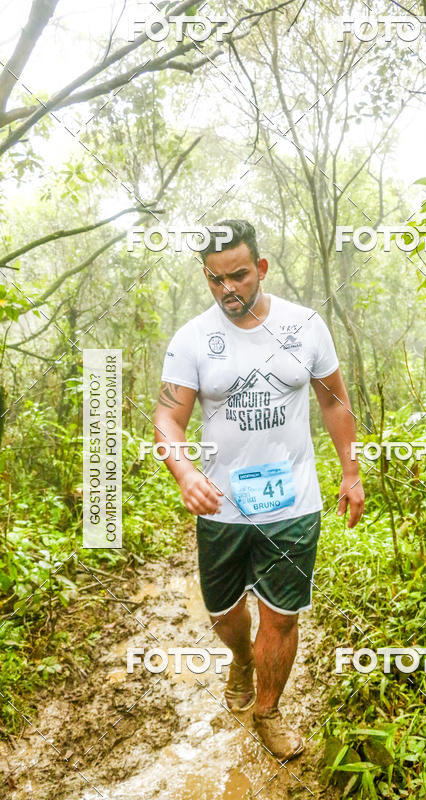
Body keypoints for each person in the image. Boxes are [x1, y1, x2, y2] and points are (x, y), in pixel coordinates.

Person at [154, 219, 364, 761]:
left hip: (292, 502)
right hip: (222, 505)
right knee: (225, 615)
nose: (229, 289)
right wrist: (185, 473)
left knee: (282, 615)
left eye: (239, 276)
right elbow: (167, 419)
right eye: (216, 279)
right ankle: (241, 658)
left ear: (261, 269)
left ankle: (267, 710)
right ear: (206, 278)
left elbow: (334, 401)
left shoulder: (305, 326)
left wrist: (351, 471)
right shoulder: (193, 339)